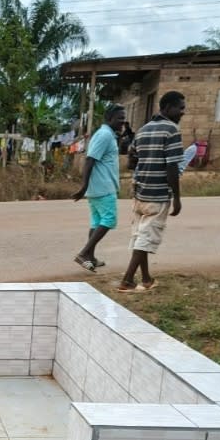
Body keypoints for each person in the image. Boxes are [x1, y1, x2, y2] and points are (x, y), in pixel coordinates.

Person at [118, 91, 187, 293]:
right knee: (146, 238)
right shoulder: (172, 130)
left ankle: (146, 279)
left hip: (140, 191)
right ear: (167, 108)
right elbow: (172, 167)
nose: (183, 112)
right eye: (180, 107)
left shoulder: (143, 130)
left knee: (141, 235)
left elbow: (132, 161)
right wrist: (177, 198)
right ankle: (128, 280)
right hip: (157, 194)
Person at [72, 105, 126, 272]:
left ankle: (91, 257)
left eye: (123, 118)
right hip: (103, 187)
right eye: (119, 118)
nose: (123, 121)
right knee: (109, 220)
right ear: (109, 119)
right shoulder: (104, 135)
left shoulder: (107, 135)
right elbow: (90, 160)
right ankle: (83, 253)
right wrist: (84, 185)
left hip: (99, 187)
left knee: (97, 222)